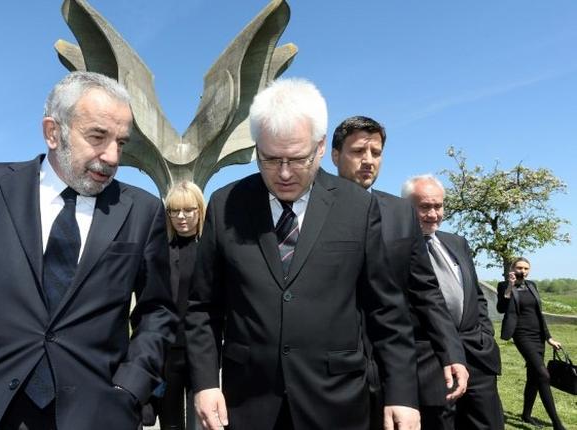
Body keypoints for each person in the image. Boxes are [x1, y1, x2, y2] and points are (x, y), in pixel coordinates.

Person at [0, 71, 177, 430]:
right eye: (97, 136)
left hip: (97, 414)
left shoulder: (142, 210)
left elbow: (157, 310)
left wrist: (131, 386)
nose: (112, 156)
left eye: (121, 142)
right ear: (53, 131)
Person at [185, 78, 420, 430]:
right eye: (269, 159)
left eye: (296, 159)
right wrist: (205, 383)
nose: (282, 173)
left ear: (321, 147)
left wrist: (401, 393)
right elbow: (203, 308)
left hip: (336, 401)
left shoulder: (357, 206)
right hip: (247, 403)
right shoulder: (225, 205)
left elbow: (385, 309)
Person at [331, 116, 468, 430]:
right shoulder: (310, 210)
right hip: (332, 368)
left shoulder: (401, 212)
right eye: (358, 151)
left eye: (376, 153)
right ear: (336, 155)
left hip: (395, 364)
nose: (368, 161)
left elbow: (426, 290)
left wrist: (452, 350)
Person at [402, 175, 504, 430]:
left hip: (477, 358)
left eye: (439, 206)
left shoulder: (457, 243)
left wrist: (484, 334)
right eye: (425, 207)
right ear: (406, 208)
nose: (434, 214)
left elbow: (476, 297)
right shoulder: (394, 249)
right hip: (431, 366)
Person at [147, 180, 205, 430]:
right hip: (167, 353)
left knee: (199, 422)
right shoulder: (159, 249)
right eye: (173, 210)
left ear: (200, 210)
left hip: (201, 351)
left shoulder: (211, 248)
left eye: (188, 210)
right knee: (170, 424)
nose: (181, 217)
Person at [497, 257, 566, 430]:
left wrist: (548, 337)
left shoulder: (532, 285)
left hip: (538, 335)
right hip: (521, 334)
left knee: (533, 376)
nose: (523, 271)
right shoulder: (503, 286)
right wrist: (510, 287)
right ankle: (557, 424)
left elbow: (539, 313)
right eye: (519, 267)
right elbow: (501, 308)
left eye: (526, 268)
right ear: (512, 268)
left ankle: (526, 415)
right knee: (543, 375)